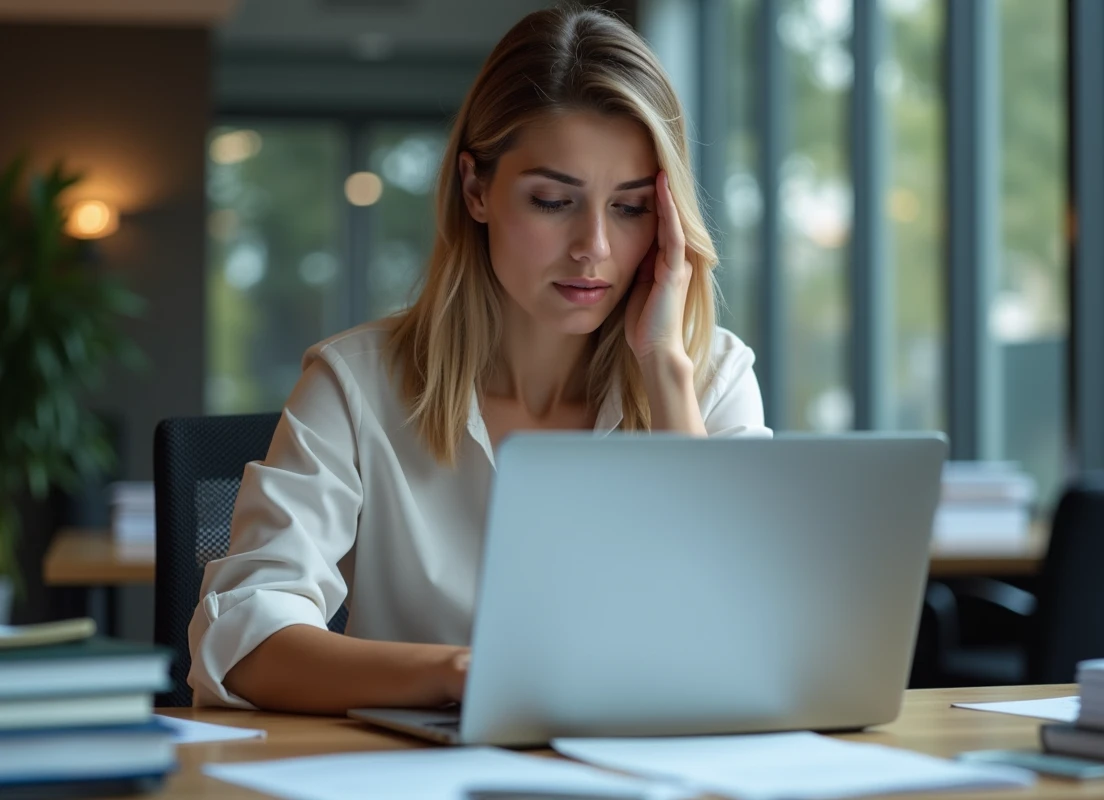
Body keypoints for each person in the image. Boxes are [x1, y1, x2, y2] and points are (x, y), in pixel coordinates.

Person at [187, 2, 771, 713]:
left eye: (629, 208)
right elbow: (244, 638)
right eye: (554, 201)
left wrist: (666, 372)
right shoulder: (355, 384)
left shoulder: (709, 377)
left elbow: (749, 635)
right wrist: (462, 674)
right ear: (476, 189)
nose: (594, 246)